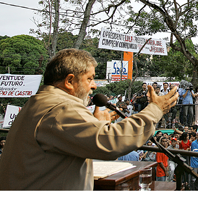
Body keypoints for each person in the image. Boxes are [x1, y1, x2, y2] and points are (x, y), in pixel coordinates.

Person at [0, 48, 178, 190]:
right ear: (70, 81)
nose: (94, 85)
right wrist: (155, 109)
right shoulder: (60, 109)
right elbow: (110, 143)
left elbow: (74, 142)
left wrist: (98, 125)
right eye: (90, 79)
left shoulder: (41, 102)